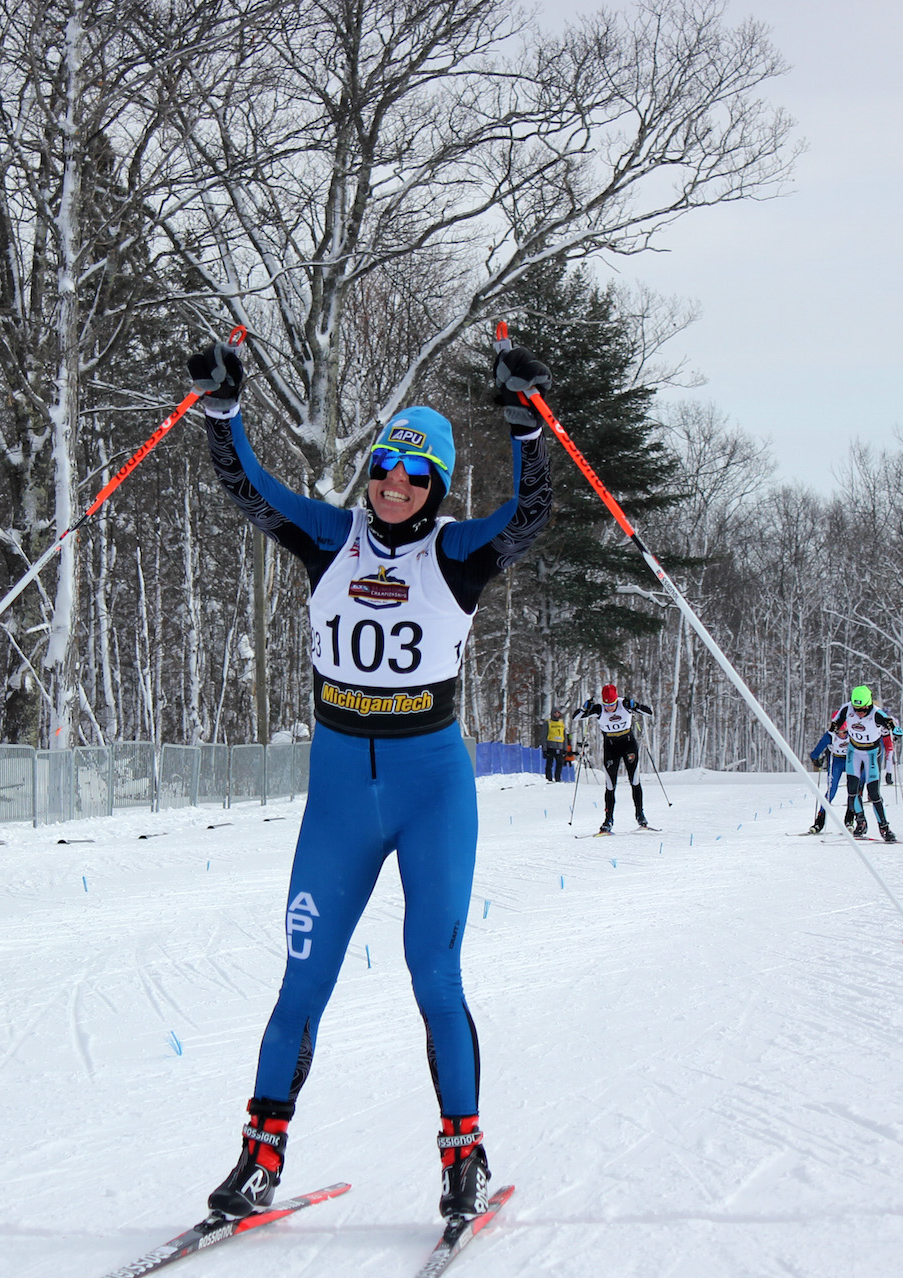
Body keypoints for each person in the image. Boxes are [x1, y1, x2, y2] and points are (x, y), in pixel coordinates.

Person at [190, 332, 552, 1225]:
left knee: (431, 966)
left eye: (417, 474)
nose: (396, 484)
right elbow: (249, 487)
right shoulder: (329, 536)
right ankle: (260, 1155)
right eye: (387, 466)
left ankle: (463, 1152)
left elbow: (529, 518)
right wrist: (222, 411)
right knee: (301, 978)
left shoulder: (461, 552)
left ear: (437, 485)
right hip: (342, 794)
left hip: (432, 787)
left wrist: (526, 428)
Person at [572, 684, 654, 833]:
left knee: (634, 780)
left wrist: (636, 705)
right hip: (611, 747)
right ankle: (608, 820)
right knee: (610, 784)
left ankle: (640, 815)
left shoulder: (625, 704)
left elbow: (649, 713)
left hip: (628, 744)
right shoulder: (599, 709)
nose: (609, 708)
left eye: (612, 704)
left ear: (616, 700)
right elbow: (575, 717)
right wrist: (584, 708)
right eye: (607, 705)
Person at [830, 685, 902, 840]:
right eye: (856, 709)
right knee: (852, 791)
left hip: (871, 754)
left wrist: (894, 729)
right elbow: (836, 722)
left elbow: (892, 724)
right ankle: (861, 822)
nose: (859, 713)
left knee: (874, 792)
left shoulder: (876, 713)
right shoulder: (847, 709)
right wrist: (834, 727)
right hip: (854, 752)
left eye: (862, 709)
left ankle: (884, 828)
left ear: (869, 705)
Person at [804, 727, 848, 833]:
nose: (841, 735)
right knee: (831, 791)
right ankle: (819, 821)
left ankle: (850, 820)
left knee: (853, 790)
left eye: (844, 732)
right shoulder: (830, 736)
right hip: (835, 762)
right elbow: (816, 752)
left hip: (850, 761)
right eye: (839, 732)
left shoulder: (853, 732)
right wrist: (816, 759)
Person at [540, 708, 569, 782]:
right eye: (555, 713)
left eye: (558, 713)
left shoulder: (562, 723)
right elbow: (544, 736)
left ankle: (558, 778)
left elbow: (564, 736)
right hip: (550, 746)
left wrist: (565, 749)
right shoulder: (548, 723)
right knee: (549, 764)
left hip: (560, 746)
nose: (556, 714)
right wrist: (544, 749)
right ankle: (548, 778)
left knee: (559, 764)